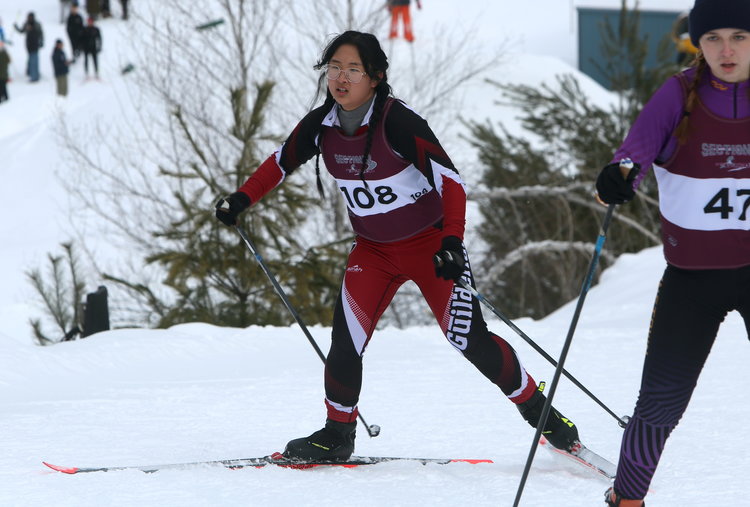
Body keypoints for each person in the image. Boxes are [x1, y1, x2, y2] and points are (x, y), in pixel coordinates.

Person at [215, 30, 582, 462]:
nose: (341, 78)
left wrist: (452, 242)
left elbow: (451, 182)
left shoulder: (398, 122)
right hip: (373, 251)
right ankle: (337, 434)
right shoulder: (322, 125)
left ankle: (541, 413)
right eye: (334, 68)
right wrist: (241, 199)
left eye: (353, 70)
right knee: (345, 340)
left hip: (431, 247)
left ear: (376, 77)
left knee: (469, 340)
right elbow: (280, 162)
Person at [595, 0, 750, 505]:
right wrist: (617, 177)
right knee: (660, 404)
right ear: (698, 43)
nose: (726, 50)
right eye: (713, 38)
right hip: (693, 280)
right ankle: (627, 499)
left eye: (739, 36)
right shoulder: (679, 94)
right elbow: (631, 156)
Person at [14, 12, 44, 82]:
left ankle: (34, 76)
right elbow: (21, 31)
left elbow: (41, 33)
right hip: (29, 45)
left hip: (35, 45)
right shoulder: (26, 24)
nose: (29, 18)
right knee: (31, 59)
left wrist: (41, 41)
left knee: (34, 60)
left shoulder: (36, 24)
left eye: (30, 17)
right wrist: (16, 27)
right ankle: (31, 73)